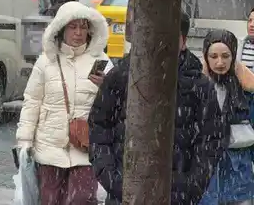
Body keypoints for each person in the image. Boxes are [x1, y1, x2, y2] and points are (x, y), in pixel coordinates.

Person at [89, 12, 226, 205]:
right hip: (125, 193)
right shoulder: (120, 77)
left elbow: (211, 140)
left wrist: (191, 185)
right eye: (155, 35)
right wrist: (113, 178)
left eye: (170, 36)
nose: (161, 43)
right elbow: (100, 128)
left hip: (177, 194)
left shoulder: (199, 86)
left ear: (183, 41)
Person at [16, 1, 111, 204]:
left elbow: (115, 106)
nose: (78, 33)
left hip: (86, 151)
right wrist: (24, 142)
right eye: (73, 26)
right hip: (49, 149)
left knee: (82, 199)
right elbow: (32, 102)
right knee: (50, 201)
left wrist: (107, 86)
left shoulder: (101, 62)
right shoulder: (45, 62)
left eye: (83, 27)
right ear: (61, 29)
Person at [199, 29, 254, 205]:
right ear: (205, 57)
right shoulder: (196, 89)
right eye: (213, 56)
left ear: (234, 56)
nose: (220, 62)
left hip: (239, 175)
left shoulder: (246, 91)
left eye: (225, 56)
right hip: (205, 175)